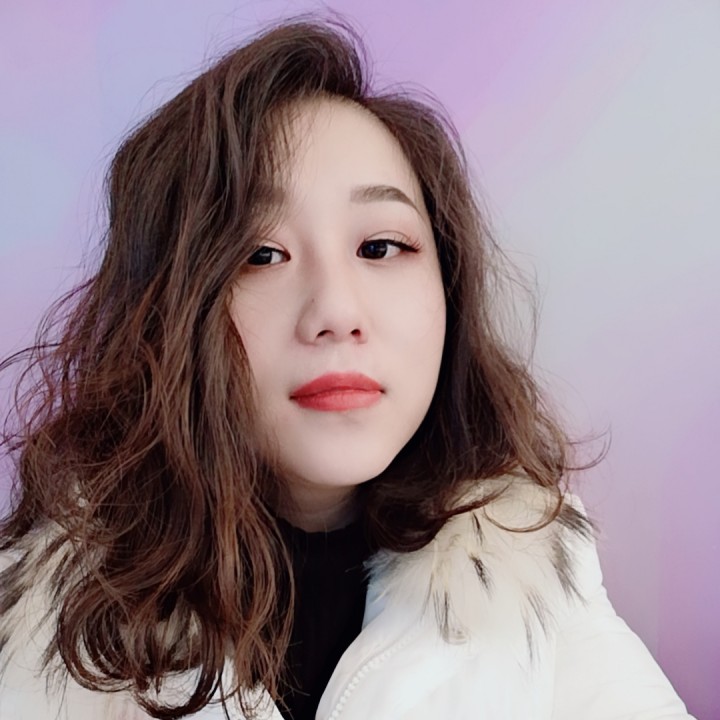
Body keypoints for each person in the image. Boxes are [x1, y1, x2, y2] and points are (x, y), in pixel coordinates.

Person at [0, 16, 694, 720]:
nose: (335, 310)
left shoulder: (536, 585)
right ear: (167, 312)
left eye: (381, 247)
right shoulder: (35, 641)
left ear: (448, 290)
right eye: (260, 255)